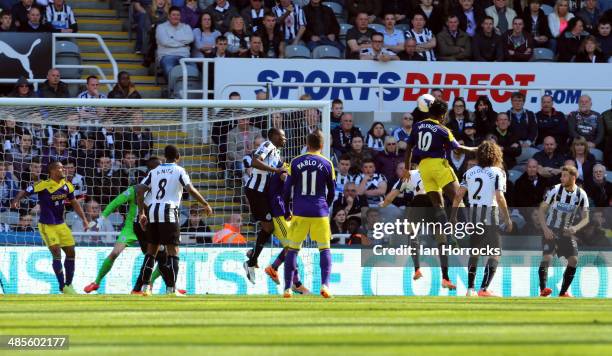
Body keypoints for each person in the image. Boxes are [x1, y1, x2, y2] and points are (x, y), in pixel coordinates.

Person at [403, 98, 477, 290]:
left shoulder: (418, 126)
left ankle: (448, 232)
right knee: (457, 198)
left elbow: (409, 147)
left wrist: (405, 168)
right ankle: (465, 230)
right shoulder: (444, 130)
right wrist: (475, 149)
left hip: (423, 167)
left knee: (438, 206)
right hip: (438, 165)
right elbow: (458, 148)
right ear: (443, 115)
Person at [137, 145, 213, 296]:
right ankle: (171, 289)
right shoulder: (179, 170)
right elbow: (190, 189)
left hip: (152, 211)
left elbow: (139, 189)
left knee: (151, 251)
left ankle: (145, 288)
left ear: (165, 156)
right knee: (173, 251)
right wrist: (205, 204)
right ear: (178, 156)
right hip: (169, 212)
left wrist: (141, 213)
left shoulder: (154, 171)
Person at [11, 161, 89, 294]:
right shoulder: (43, 185)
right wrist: (15, 201)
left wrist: (85, 220)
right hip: (47, 225)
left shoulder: (67, 185)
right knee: (57, 253)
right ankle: (62, 286)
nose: (63, 169)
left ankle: (69, 285)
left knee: (71, 253)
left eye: (63, 167)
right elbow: (25, 191)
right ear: (52, 171)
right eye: (60, 168)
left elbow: (75, 203)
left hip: (61, 225)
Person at [452, 140, 512, 297]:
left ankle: (470, 289)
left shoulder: (470, 172)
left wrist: (453, 216)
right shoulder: (498, 172)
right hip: (490, 215)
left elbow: (458, 195)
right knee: (495, 253)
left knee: (475, 252)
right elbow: (499, 197)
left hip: (474, 216)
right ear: (496, 155)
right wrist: (507, 218)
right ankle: (484, 289)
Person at [282, 130, 335, 298]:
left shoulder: (295, 162)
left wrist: (286, 210)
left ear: (307, 143)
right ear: (322, 145)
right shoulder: (327, 163)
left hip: (299, 212)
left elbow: (286, 190)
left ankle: (287, 289)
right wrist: (326, 205)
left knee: (292, 250)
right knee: (324, 248)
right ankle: (325, 286)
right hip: (320, 212)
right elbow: (332, 191)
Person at [242, 128, 286, 283]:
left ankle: (252, 257)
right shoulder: (267, 145)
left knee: (269, 227)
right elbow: (255, 161)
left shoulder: (277, 153)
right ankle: (251, 261)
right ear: (274, 136)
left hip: (262, 193)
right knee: (268, 227)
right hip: (255, 190)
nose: (285, 139)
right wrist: (276, 170)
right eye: (282, 136)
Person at [538, 165, 589, 297]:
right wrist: (545, 229)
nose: (561, 178)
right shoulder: (555, 190)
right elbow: (541, 210)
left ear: (573, 177)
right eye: (561, 175)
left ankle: (562, 293)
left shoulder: (581, 194)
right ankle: (543, 289)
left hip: (566, 232)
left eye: (564, 176)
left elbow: (586, 218)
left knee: (573, 260)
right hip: (551, 229)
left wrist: (575, 228)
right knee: (547, 257)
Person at [260, 167, 310, 294]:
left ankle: (273, 268)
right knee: (291, 246)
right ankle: (296, 283)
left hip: (283, 211)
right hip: (278, 213)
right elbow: (285, 177)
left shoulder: (283, 169)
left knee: (295, 244)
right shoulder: (284, 169)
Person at [379, 163, 427, 280]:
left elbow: (390, 197)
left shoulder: (407, 176)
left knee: (413, 236)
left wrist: (383, 204)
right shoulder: (433, 172)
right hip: (436, 207)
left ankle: (417, 269)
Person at [156, 6, 194, 79]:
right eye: (173, 15)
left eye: (178, 15)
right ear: (169, 16)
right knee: (170, 72)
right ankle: (173, 90)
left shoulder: (186, 27)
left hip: (184, 56)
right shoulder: (161, 27)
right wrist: (183, 43)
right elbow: (165, 42)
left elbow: (190, 39)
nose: (176, 17)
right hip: (167, 56)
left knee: (193, 71)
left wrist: (172, 38)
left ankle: (188, 89)